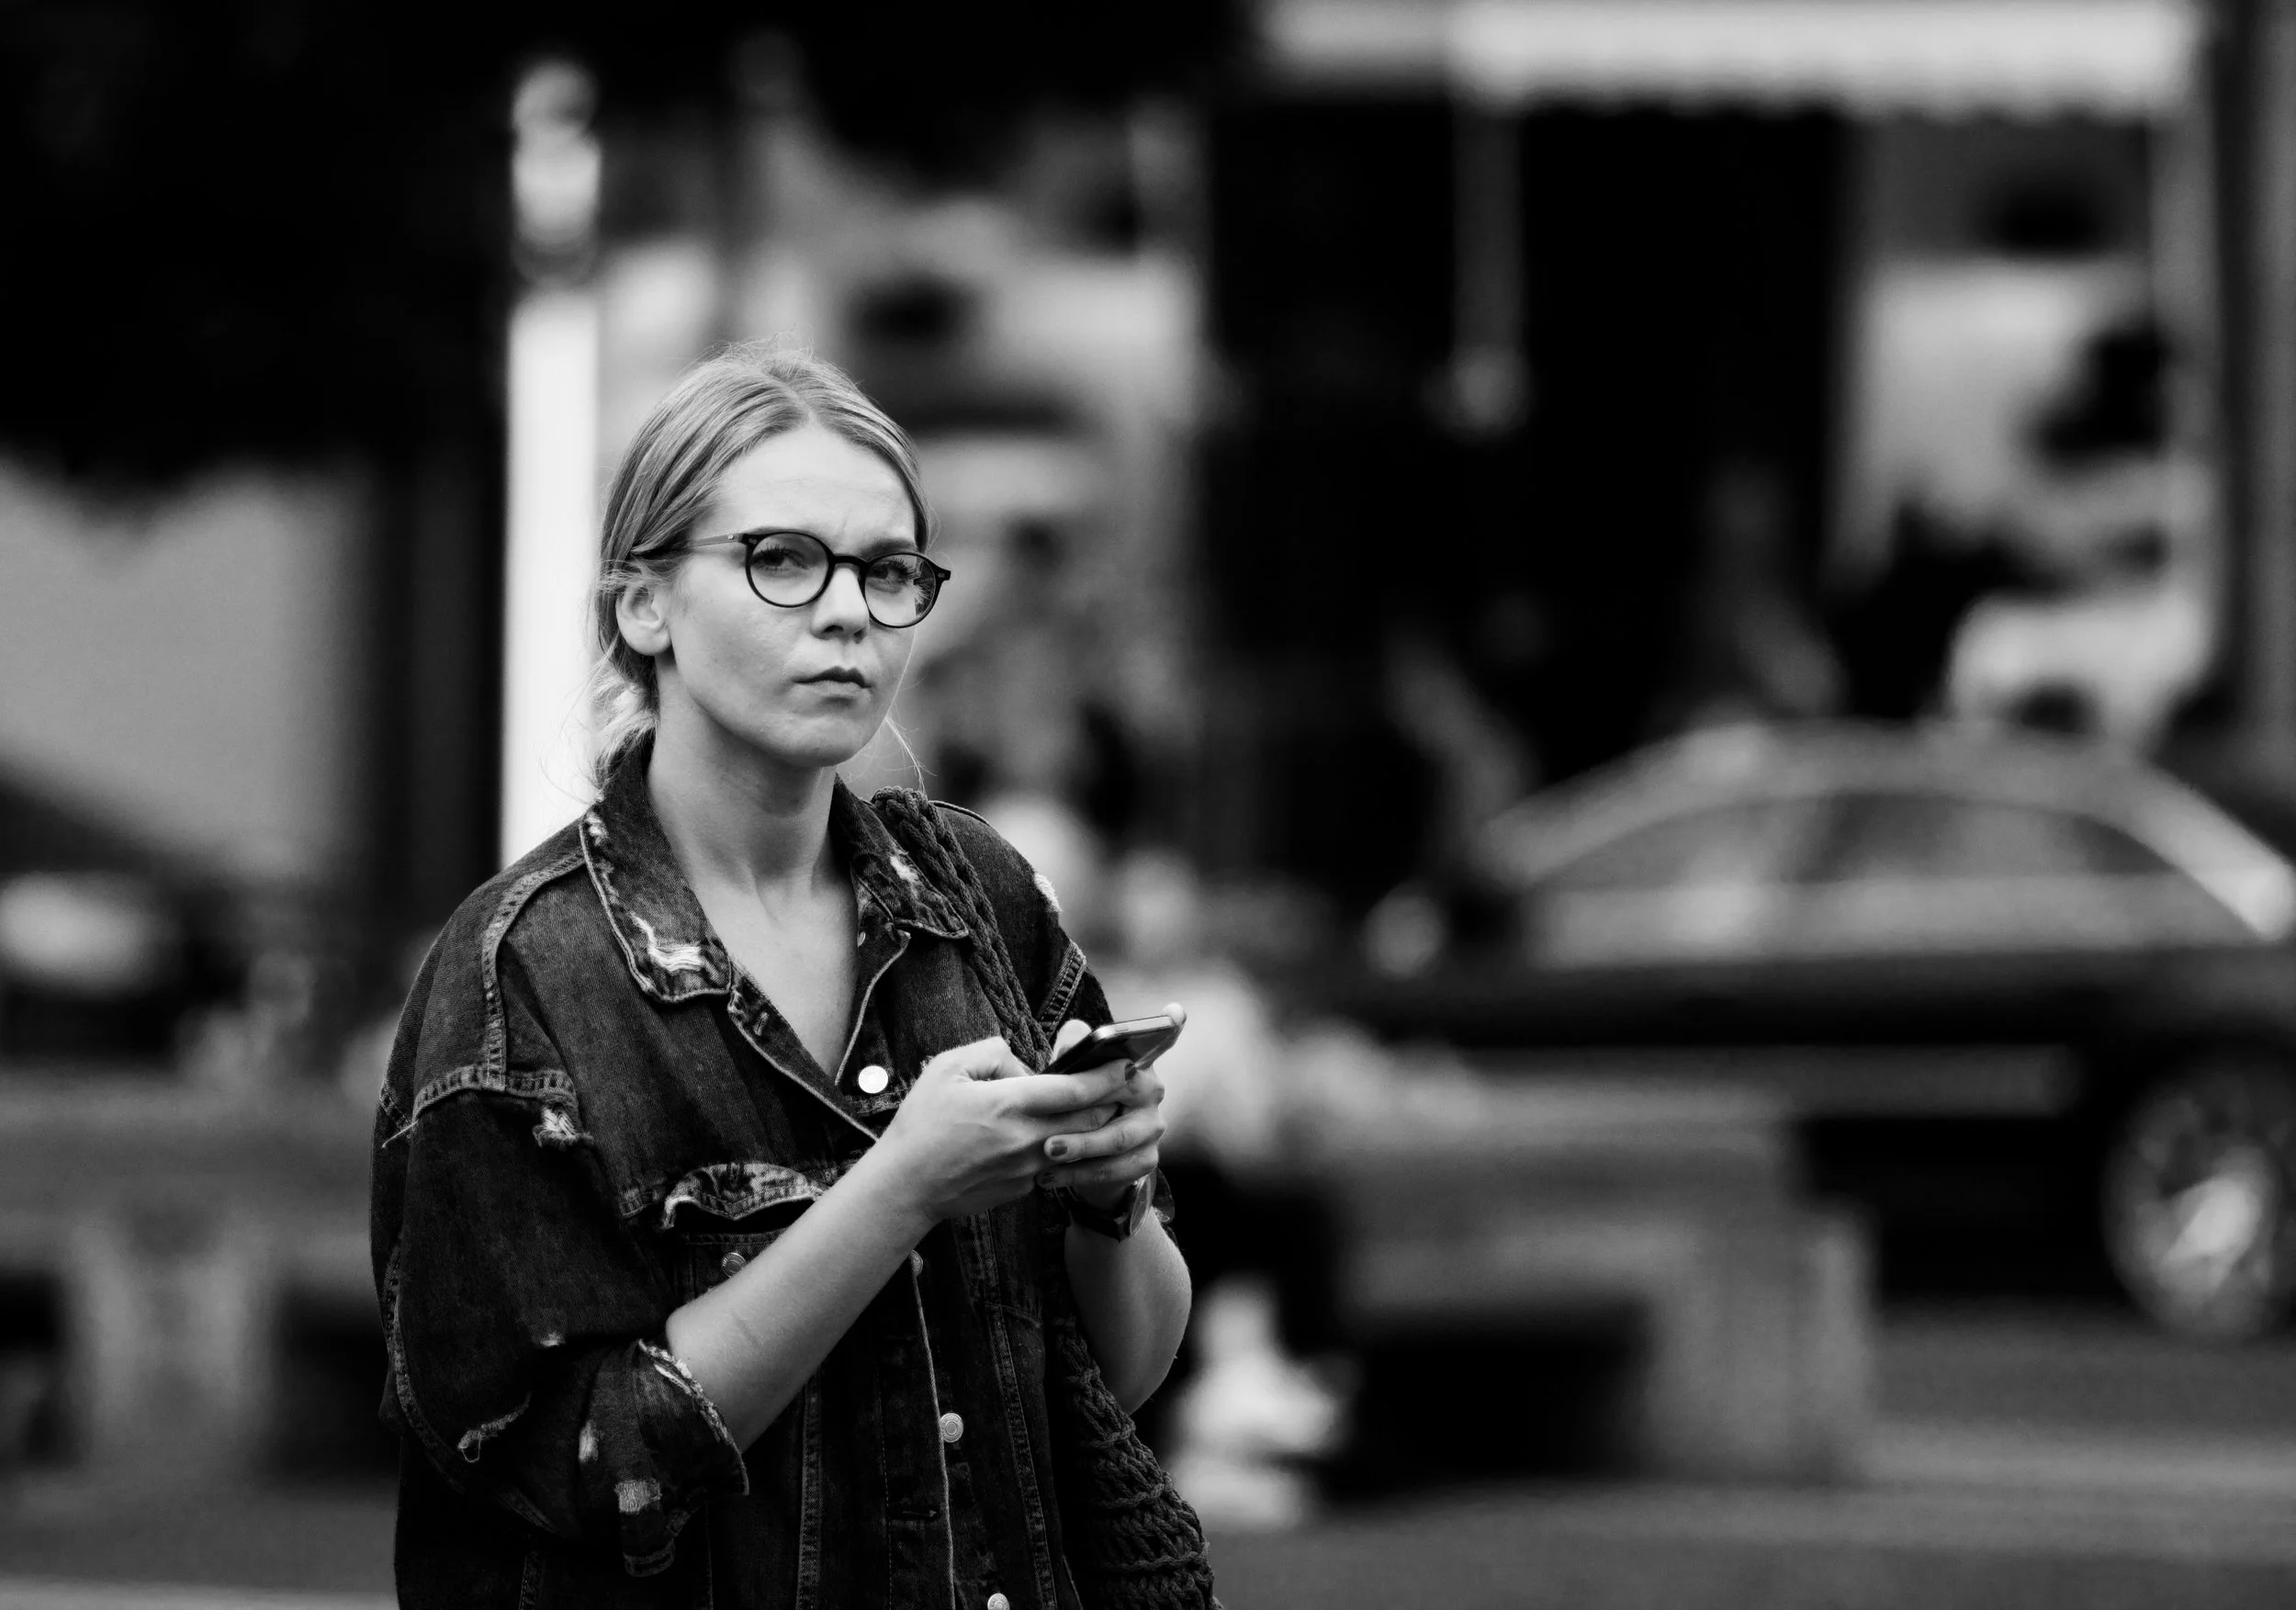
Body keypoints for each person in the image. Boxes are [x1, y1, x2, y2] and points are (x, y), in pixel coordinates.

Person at [370, 343, 1206, 1608]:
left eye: (886, 572)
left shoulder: (978, 899)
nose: (844, 613)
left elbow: (1122, 1375)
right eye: (781, 559)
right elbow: (585, 1475)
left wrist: (1113, 1201)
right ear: (642, 605)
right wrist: (903, 1187)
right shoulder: (524, 975)